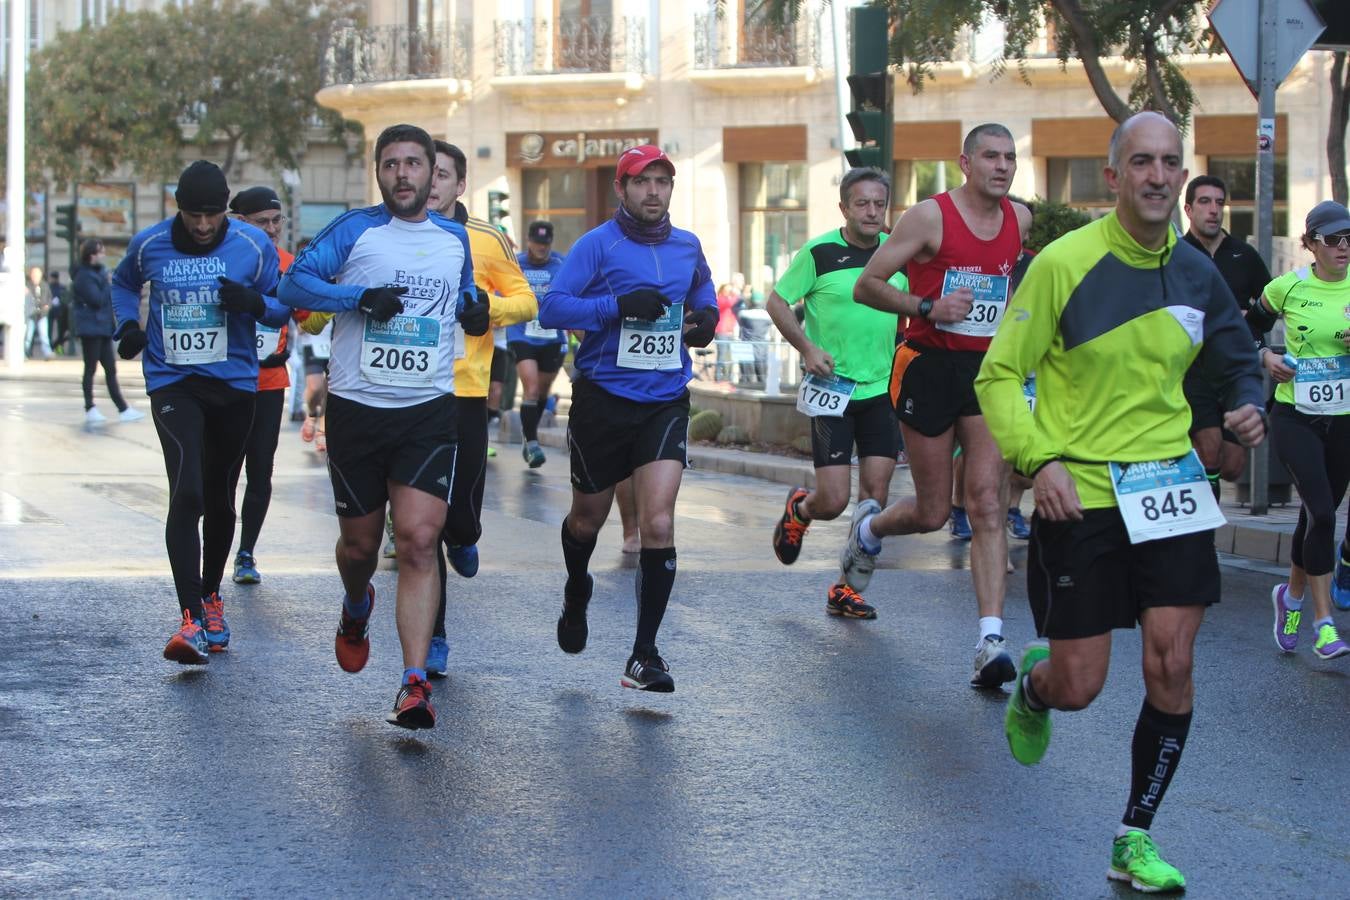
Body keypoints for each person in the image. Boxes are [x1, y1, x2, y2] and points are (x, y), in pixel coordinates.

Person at [978, 112, 1265, 893]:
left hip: (1169, 488)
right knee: (1082, 688)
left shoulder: (1198, 273)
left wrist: (1249, 406)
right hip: (1084, 497)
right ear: (1114, 176)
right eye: (1142, 161)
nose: (1158, 176)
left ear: (1182, 174)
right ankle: (1039, 686)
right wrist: (1040, 463)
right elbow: (998, 375)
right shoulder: (1065, 265)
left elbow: (1240, 362)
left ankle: (1134, 835)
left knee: (1172, 662)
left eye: (1171, 162)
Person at [277, 124, 481, 729]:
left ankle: (414, 684)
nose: (403, 174)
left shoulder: (453, 237)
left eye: (413, 164)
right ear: (379, 172)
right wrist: (357, 297)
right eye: (390, 164)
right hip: (359, 411)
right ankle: (355, 602)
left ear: (431, 172)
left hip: (427, 412)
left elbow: (466, 300)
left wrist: (474, 309)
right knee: (361, 547)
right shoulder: (354, 231)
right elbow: (293, 284)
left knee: (419, 541)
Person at [850, 123, 1032, 687]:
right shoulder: (930, 217)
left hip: (986, 372)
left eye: (1009, 157)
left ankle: (990, 640)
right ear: (965, 162)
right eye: (990, 157)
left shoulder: (1020, 219)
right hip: (928, 365)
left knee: (985, 502)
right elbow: (868, 284)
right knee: (932, 512)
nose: (1001, 167)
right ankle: (870, 530)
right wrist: (928, 305)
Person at [540, 144, 718, 692]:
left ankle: (644, 654)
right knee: (587, 520)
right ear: (622, 189)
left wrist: (707, 315)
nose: (653, 192)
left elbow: (702, 288)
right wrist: (616, 307)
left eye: (663, 182)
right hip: (603, 399)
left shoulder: (687, 245)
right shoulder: (598, 245)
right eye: (642, 182)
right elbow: (553, 308)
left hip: (664, 398)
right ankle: (576, 588)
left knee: (657, 522)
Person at [112, 160, 287, 665]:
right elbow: (123, 284)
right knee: (187, 488)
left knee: (218, 494)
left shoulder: (253, 247)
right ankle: (189, 618)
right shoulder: (150, 244)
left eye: (211, 216)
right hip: (174, 382)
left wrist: (252, 301)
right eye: (193, 216)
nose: (204, 225)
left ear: (224, 212)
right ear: (179, 209)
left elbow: (281, 309)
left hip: (233, 385)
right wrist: (128, 326)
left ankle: (211, 595)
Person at [768, 167, 905, 619]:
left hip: (881, 389)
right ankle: (801, 510)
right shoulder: (820, 251)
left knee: (874, 497)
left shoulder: (896, 252)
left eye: (879, 204)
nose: (871, 212)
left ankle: (846, 588)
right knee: (834, 500)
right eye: (861, 203)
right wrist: (807, 347)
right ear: (844, 207)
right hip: (833, 389)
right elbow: (776, 301)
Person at [425, 140, 536, 677]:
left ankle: (465, 536)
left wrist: (485, 309)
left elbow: (527, 299)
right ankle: (434, 635)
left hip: (467, 390)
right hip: (412, 392)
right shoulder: (392, 235)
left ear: (459, 184)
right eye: (425, 173)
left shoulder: (487, 239)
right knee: (424, 521)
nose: (430, 184)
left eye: (442, 175)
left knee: (460, 512)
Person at [1249, 200, 1350, 655]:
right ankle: (1324, 623)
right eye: (1332, 239)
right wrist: (1265, 356)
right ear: (1310, 244)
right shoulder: (1286, 288)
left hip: (1344, 419)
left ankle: (1289, 597)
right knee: (1325, 514)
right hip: (1295, 416)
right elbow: (1245, 329)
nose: (1343, 246)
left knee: (1315, 513)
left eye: (1349, 238)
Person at [1182, 175, 1273, 493]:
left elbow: (1270, 305)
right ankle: (1205, 527)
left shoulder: (1243, 255)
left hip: (1234, 369)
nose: (1213, 210)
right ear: (1189, 209)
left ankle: (1205, 495)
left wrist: (1250, 320)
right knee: (1208, 449)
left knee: (1232, 465)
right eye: (1205, 202)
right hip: (1193, 370)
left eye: (1219, 203)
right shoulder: (1177, 254)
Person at [228, 186, 299, 586]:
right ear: (241, 223)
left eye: (277, 221)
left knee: (260, 471)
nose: (272, 229)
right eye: (262, 222)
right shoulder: (226, 260)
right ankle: (216, 546)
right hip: (224, 382)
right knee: (222, 471)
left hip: (270, 381)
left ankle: (246, 552)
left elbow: (310, 316)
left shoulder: (289, 264)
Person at [508, 219, 566, 468]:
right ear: (528, 241)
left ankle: (528, 434)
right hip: (522, 333)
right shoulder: (516, 264)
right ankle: (531, 441)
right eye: (536, 243)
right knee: (530, 387)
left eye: (545, 244)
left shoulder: (561, 264)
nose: (541, 248)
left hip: (552, 336)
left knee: (542, 390)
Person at [73, 239, 143, 425]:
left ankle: (123, 408)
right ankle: (90, 408)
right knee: (90, 368)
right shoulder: (84, 276)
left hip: (102, 327)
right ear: (91, 255)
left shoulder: (98, 274)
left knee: (111, 369)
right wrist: (108, 284)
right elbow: (96, 299)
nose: (103, 255)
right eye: (100, 252)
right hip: (91, 329)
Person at [25, 266, 52, 360]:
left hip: (42, 314)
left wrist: (47, 306)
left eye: (37, 275)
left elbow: (49, 298)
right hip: (31, 314)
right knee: (28, 336)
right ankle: (25, 352)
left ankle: (47, 353)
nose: (35, 277)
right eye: (34, 275)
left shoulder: (45, 285)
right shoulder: (27, 286)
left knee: (44, 335)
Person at [48, 271, 70, 354]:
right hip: (52, 312)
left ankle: (57, 348)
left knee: (60, 333)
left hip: (59, 313)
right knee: (50, 331)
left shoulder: (61, 288)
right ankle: (52, 347)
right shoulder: (51, 287)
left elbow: (65, 299)